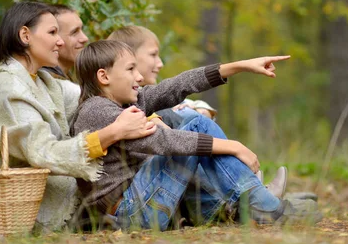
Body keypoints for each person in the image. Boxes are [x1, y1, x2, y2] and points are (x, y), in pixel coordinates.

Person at [70, 40, 321, 230]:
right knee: (196, 127)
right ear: (103, 76)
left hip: (140, 206)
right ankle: (263, 207)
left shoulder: (123, 105)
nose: (139, 76)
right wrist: (232, 146)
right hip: (131, 214)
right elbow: (163, 141)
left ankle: (243, 206)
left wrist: (238, 66)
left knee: (194, 126)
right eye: (131, 69)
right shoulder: (96, 110)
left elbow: (176, 85)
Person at [0, 2, 156, 232]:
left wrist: (172, 110)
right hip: (29, 214)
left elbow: (105, 96)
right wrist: (114, 132)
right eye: (52, 32)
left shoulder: (42, 82)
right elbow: (43, 153)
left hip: (63, 198)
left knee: (178, 129)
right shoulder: (7, 90)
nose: (60, 41)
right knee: (167, 158)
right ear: (25, 35)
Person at [107, 25, 288, 197]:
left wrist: (202, 109)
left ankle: (248, 192)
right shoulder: (118, 108)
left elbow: (182, 86)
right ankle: (248, 192)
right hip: (149, 188)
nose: (160, 63)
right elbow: (169, 138)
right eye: (153, 55)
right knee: (186, 121)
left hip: (168, 177)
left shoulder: (145, 96)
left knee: (189, 116)